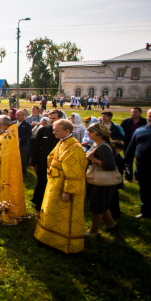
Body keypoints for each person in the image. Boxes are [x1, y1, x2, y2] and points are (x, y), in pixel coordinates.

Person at [34, 119, 87, 254]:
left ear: (67, 131)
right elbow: (52, 157)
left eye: (56, 130)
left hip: (64, 186)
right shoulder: (62, 141)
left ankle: (62, 242)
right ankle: (47, 237)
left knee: (62, 214)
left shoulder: (75, 148)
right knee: (51, 211)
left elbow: (74, 172)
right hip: (55, 183)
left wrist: (67, 191)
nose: (53, 132)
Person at [84, 123, 119, 236]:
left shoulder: (103, 147)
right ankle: (111, 224)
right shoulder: (97, 144)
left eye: (91, 131)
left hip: (102, 181)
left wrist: (93, 159)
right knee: (101, 203)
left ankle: (93, 231)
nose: (88, 133)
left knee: (97, 205)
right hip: (97, 179)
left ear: (98, 134)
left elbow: (110, 165)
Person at [30, 109, 62, 210]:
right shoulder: (43, 130)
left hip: (58, 162)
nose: (51, 120)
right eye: (50, 118)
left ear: (60, 118)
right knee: (42, 182)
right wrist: (33, 161)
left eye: (54, 118)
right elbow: (36, 146)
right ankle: (38, 203)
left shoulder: (64, 132)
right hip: (43, 161)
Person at [120, 107, 147, 182]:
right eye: (132, 112)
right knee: (128, 161)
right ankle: (128, 177)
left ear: (140, 113)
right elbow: (121, 132)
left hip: (140, 144)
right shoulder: (126, 122)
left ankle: (138, 177)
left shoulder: (145, 122)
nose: (133, 113)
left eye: (135, 112)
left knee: (140, 161)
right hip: (128, 143)